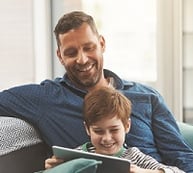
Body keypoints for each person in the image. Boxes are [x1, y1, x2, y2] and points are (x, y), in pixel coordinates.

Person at [0, 11, 192, 172]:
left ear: (102, 44)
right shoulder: (44, 98)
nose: (82, 59)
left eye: (89, 48)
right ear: (60, 56)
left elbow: (182, 158)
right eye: (71, 52)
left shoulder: (147, 97)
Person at [45, 87, 184, 173]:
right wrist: (52, 170)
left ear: (127, 126)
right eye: (98, 131)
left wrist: (144, 172)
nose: (106, 138)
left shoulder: (135, 157)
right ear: (87, 129)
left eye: (114, 130)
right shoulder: (75, 156)